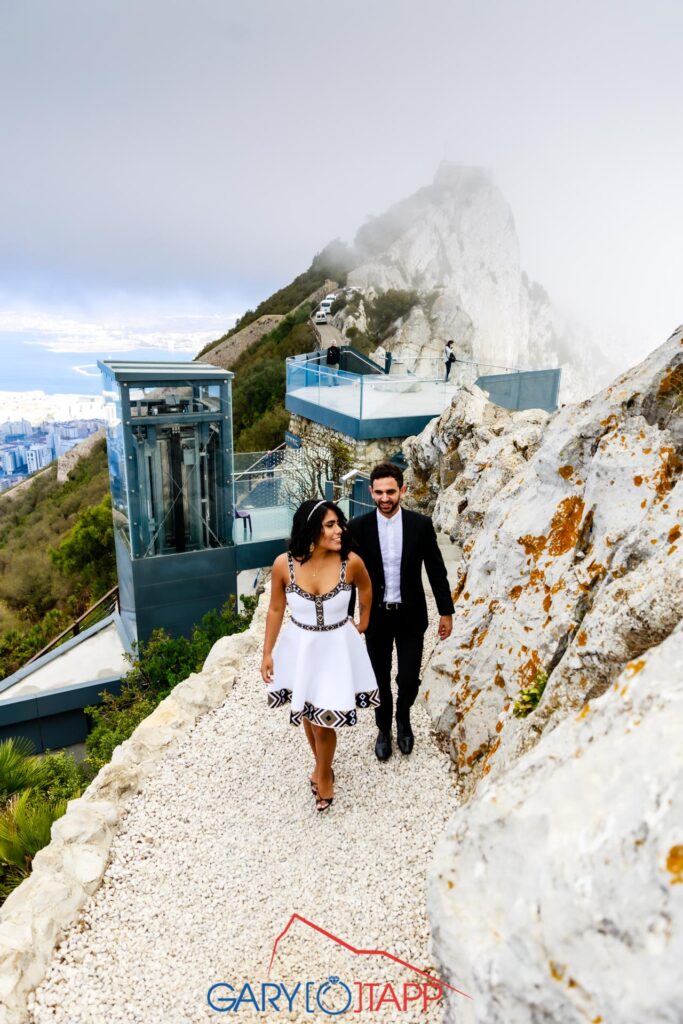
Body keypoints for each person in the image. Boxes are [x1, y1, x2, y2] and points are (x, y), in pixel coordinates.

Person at [261, 499, 378, 812]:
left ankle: (323, 775)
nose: (339, 530)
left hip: (336, 649)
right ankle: (321, 767)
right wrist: (267, 653)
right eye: (330, 525)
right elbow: (275, 608)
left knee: (324, 721)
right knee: (309, 715)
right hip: (301, 647)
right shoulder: (282, 565)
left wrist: (362, 623)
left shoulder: (350, 562)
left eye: (339, 523)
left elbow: (366, 589)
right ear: (310, 530)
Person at [347, 463, 454, 761]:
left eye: (390, 492)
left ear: (402, 491)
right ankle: (384, 728)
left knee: (408, 678)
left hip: (411, 617)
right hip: (376, 618)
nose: (385, 498)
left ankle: (403, 719)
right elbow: (350, 576)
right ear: (371, 492)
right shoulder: (358, 527)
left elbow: (436, 569)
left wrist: (446, 612)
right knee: (379, 678)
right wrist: (348, 619)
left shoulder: (421, 525)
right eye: (379, 492)